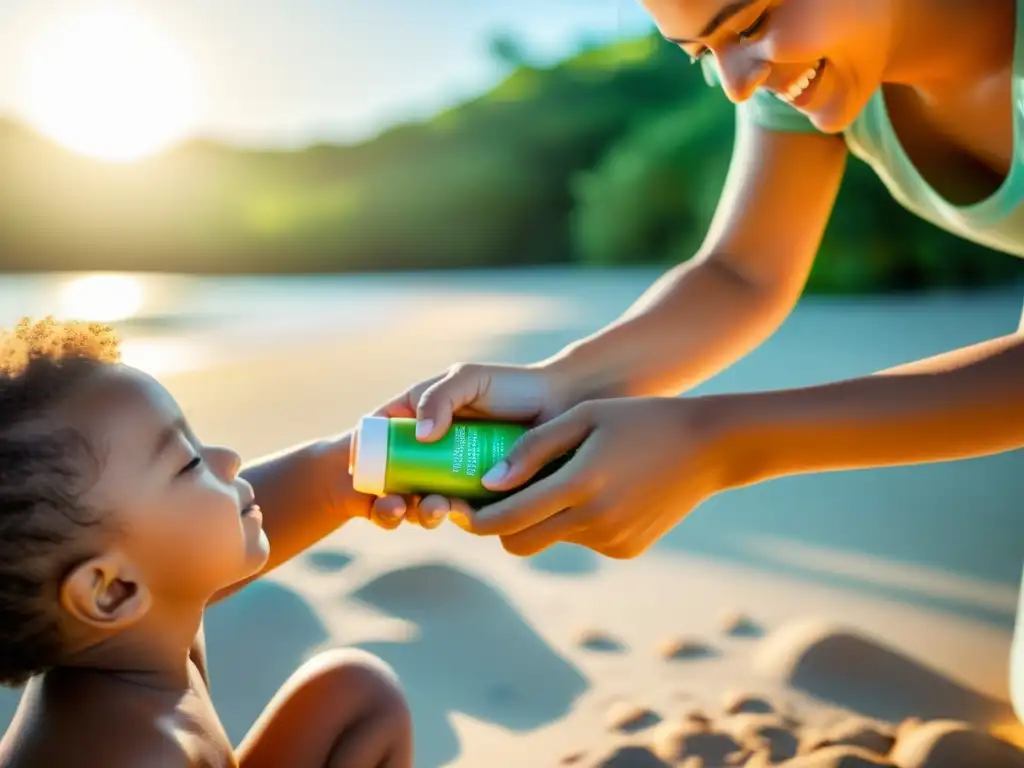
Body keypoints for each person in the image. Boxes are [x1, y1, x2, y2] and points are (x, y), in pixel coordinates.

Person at [369, 0, 1024, 720]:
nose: (739, 82)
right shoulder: (809, 72)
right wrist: (561, 382)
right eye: (701, 52)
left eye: (749, 23)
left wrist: (718, 445)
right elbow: (742, 273)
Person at [0, 318, 422, 768]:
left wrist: (345, 472)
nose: (228, 459)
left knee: (353, 695)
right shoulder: (134, 754)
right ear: (111, 591)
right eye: (189, 463)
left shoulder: (141, 621)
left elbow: (257, 520)